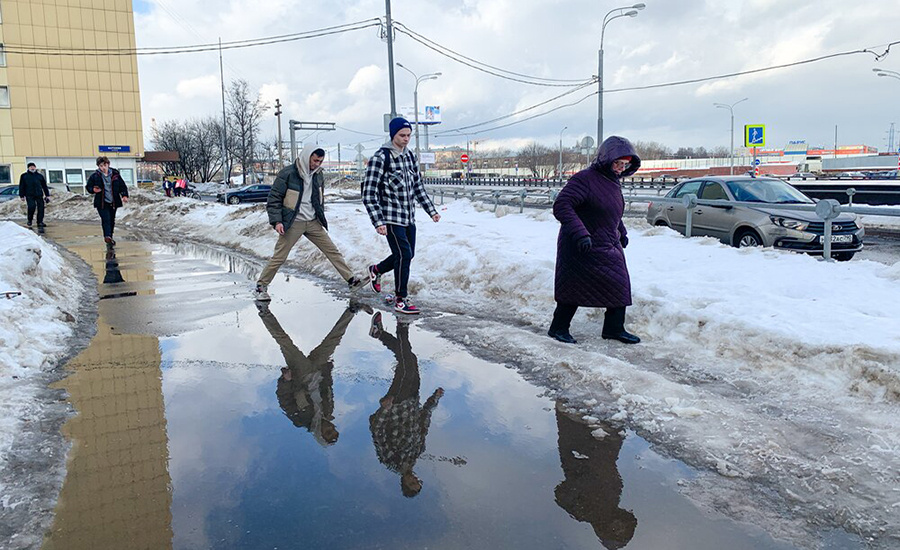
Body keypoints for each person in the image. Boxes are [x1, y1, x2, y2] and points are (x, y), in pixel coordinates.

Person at [548, 135, 641, 345]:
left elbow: (610, 212)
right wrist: (580, 233)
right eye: (617, 163)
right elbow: (562, 205)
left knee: (619, 284)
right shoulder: (585, 179)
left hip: (606, 243)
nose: (620, 168)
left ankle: (614, 329)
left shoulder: (612, 182)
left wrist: (622, 231)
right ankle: (558, 328)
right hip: (580, 244)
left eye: (625, 165)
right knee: (573, 287)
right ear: (606, 159)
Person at [254, 144, 365, 301]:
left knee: (332, 250)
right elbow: (274, 199)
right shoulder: (288, 173)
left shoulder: (318, 174)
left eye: (320, 161)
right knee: (280, 256)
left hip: (313, 221)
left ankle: (351, 280)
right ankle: (261, 286)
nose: (317, 164)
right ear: (306, 157)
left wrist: (320, 214)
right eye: (314, 161)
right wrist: (277, 221)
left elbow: (318, 198)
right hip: (293, 223)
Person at [361, 117, 440, 315]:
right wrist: (378, 221)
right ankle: (400, 299)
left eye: (408, 135)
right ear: (393, 135)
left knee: (406, 255)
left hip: (408, 217)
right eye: (402, 135)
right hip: (390, 218)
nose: (406, 139)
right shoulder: (381, 158)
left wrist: (431, 210)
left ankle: (376, 270)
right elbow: (369, 193)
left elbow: (417, 186)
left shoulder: (409, 157)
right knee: (403, 255)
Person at [259, 304, 362, 446]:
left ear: (320, 435)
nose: (330, 428)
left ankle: (264, 313)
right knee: (333, 341)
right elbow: (328, 387)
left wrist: (286, 380)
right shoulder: (328, 411)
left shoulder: (301, 420)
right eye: (334, 430)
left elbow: (285, 399)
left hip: (301, 375)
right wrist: (328, 369)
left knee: (285, 342)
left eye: (328, 433)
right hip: (318, 371)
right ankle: (352, 310)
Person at [368, 313, 443, 497]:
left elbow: (377, 430)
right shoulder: (416, 453)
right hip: (413, 398)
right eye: (417, 482)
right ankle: (380, 334)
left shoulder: (389, 460)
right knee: (411, 360)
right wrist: (434, 399)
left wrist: (385, 409)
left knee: (407, 363)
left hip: (396, 403)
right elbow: (424, 421)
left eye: (411, 483)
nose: (414, 479)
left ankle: (402, 325)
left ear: (404, 483)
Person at [553, 404, 637, 549]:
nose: (619, 526)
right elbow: (560, 492)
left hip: (583, 434)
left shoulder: (585, 511)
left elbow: (560, 493)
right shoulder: (604, 504)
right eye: (623, 529)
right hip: (592, 437)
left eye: (617, 530)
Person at [86, 156, 129, 246]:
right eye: (100, 166)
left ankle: (110, 237)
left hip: (113, 201)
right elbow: (88, 187)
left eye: (104, 165)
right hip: (101, 202)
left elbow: (122, 186)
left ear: (108, 164)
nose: (103, 168)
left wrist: (124, 195)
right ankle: (107, 236)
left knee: (112, 220)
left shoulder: (115, 175)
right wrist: (93, 189)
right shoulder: (95, 176)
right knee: (106, 219)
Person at [18, 163, 51, 228]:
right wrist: (22, 195)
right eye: (31, 167)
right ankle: (29, 220)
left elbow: (44, 186)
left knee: (41, 208)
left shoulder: (39, 176)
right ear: (28, 168)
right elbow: (21, 186)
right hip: (29, 195)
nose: (32, 168)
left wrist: (47, 195)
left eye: (33, 167)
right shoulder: (24, 176)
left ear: (35, 167)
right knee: (31, 207)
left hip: (39, 194)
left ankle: (40, 222)